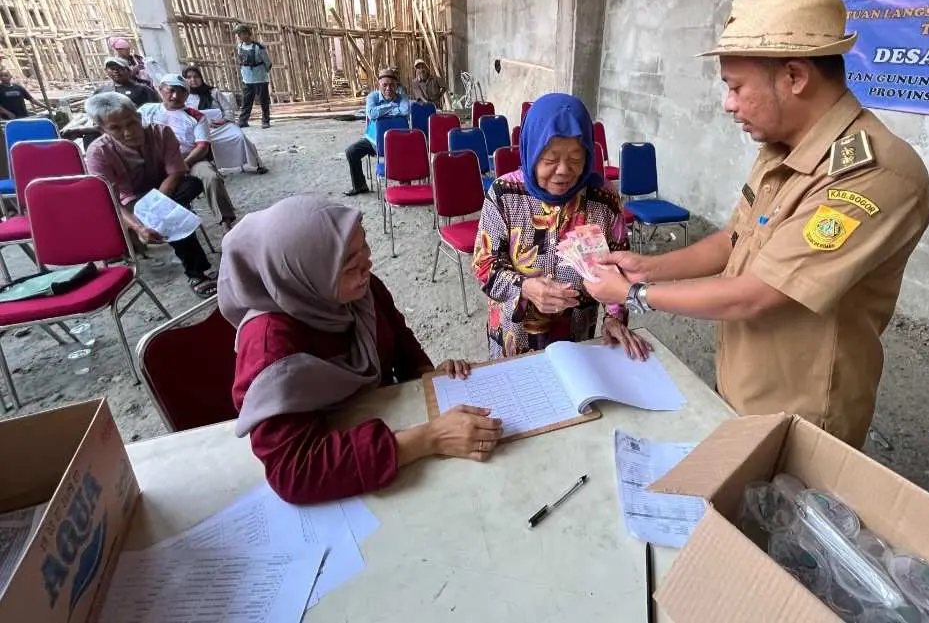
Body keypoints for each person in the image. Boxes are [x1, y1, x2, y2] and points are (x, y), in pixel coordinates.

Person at [584, 0, 929, 448]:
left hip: (799, 412)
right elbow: (734, 238)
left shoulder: (873, 175)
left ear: (794, 75)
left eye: (735, 87)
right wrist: (649, 266)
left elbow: (755, 296)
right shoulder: (779, 149)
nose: (728, 104)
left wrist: (637, 293)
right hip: (744, 383)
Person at [220, 195, 503, 504]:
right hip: (353, 480)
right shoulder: (269, 347)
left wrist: (431, 377)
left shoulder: (359, 289)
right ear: (303, 275)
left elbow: (400, 344)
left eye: (364, 246)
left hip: (384, 424)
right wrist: (429, 438)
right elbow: (294, 471)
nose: (367, 265)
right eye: (349, 264)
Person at [472, 92, 650, 362]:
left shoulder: (602, 197)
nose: (564, 170)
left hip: (579, 334)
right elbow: (485, 266)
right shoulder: (505, 194)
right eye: (551, 159)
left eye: (576, 159)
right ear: (532, 151)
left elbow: (618, 267)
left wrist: (615, 318)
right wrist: (525, 287)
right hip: (517, 335)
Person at [83, 92, 217, 298]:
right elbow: (108, 200)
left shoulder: (162, 133)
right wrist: (138, 226)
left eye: (131, 123)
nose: (127, 132)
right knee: (174, 214)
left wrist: (156, 206)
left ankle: (193, 266)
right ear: (102, 129)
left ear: (139, 116)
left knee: (190, 186)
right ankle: (197, 274)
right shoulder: (97, 153)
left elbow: (176, 172)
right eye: (115, 128)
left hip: (168, 188)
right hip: (131, 201)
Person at [140, 74, 238, 231]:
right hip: (155, 160)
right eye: (170, 90)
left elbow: (202, 147)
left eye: (181, 92)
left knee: (211, 177)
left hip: (190, 158)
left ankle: (226, 222)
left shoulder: (196, 116)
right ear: (160, 90)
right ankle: (143, 229)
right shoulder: (146, 111)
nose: (175, 96)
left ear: (187, 94)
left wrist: (184, 164)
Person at [182, 66, 267, 174]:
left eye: (196, 77)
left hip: (222, 125)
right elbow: (184, 117)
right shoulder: (184, 97)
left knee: (239, 136)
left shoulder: (213, 92)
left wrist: (224, 120)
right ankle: (212, 169)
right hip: (201, 129)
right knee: (204, 145)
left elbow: (227, 109)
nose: (193, 80)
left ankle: (255, 164)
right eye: (189, 77)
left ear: (201, 78)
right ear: (185, 80)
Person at [344, 67, 410, 196]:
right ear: (379, 85)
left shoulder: (402, 97)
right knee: (351, 152)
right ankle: (360, 186)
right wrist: (392, 106)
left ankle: (405, 185)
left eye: (391, 85)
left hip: (397, 140)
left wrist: (382, 112)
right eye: (384, 85)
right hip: (373, 140)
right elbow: (372, 114)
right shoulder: (372, 97)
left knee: (406, 151)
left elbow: (405, 110)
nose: (388, 88)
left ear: (396, 85)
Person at [233, 24, 272, 129]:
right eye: (239, 35)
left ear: (247, 34)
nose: (241, 36)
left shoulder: (258, 47)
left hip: (260, 78)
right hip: (247, 78)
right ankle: (243, 120)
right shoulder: (239, 46)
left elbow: (267, 62)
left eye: (242, 34)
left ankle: (265, 120)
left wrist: (263, 72)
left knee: (263, 101)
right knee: (246, 101)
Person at [95, 57, 160, 106]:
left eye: (119, 68)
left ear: (128, 70)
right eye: (112, 69)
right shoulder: (101, 91)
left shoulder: (142, 89)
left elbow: (155, 109)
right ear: (106, 71)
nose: (115, 71)